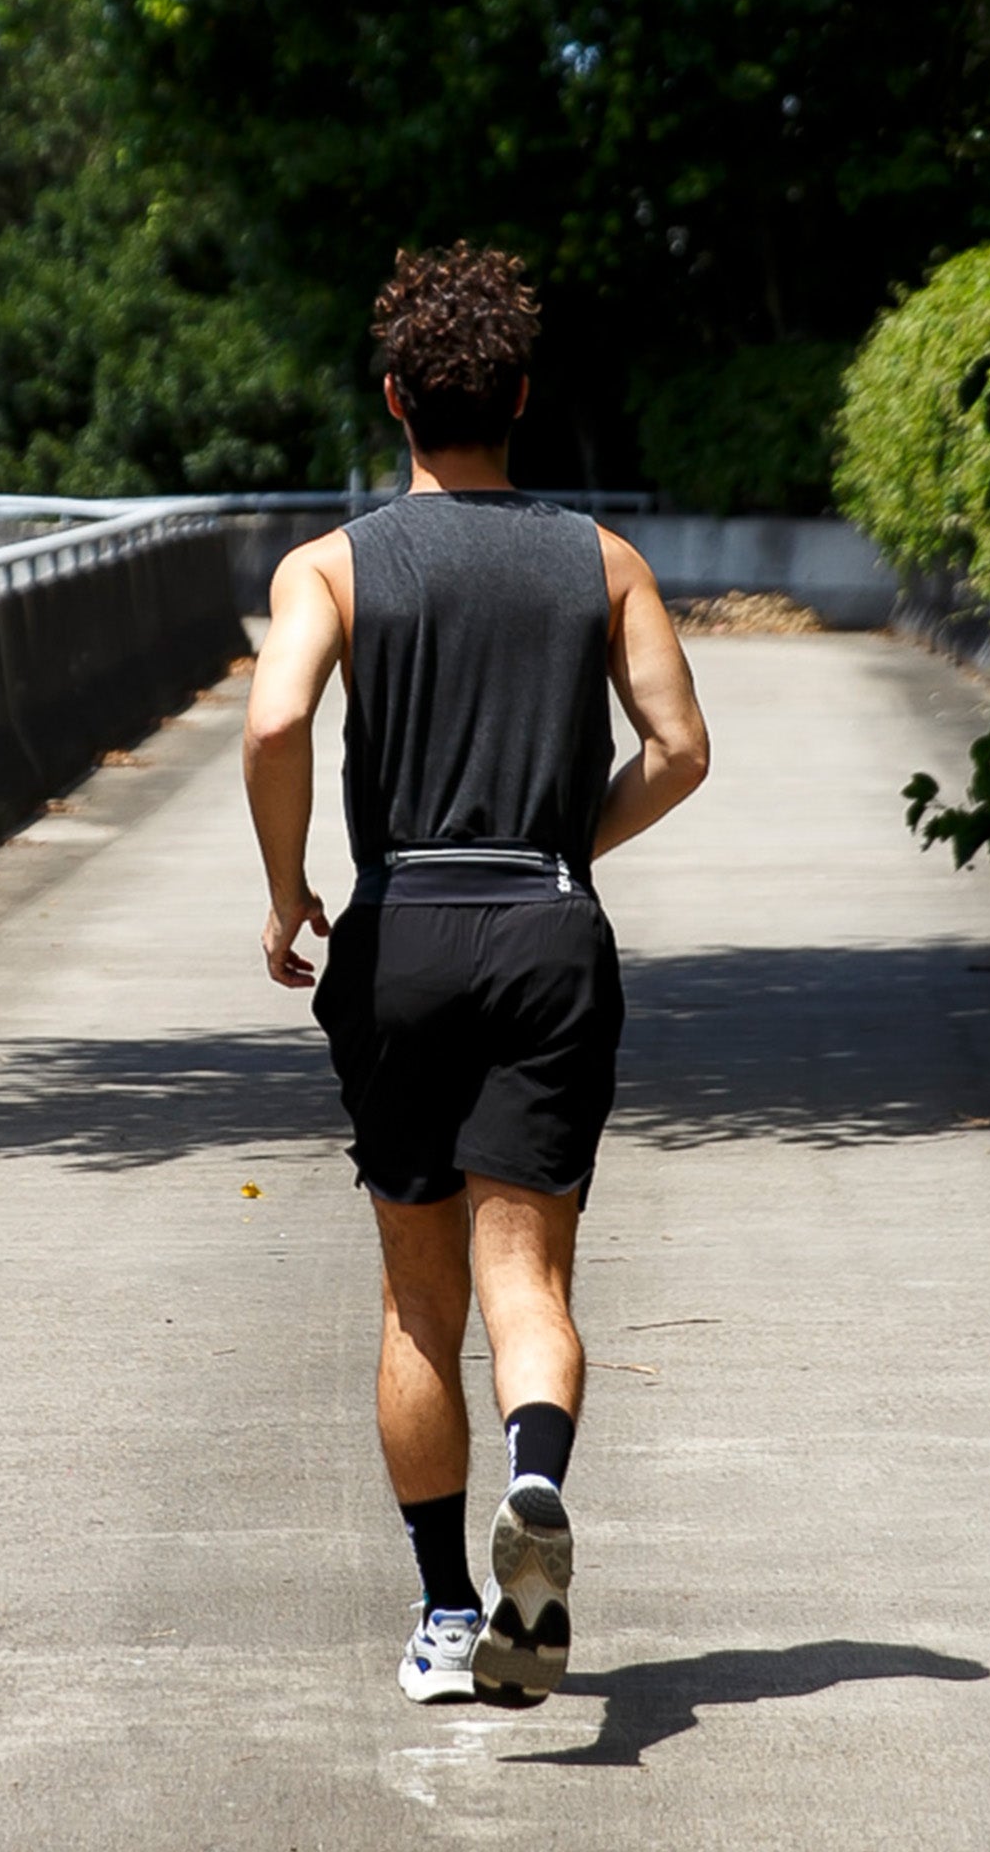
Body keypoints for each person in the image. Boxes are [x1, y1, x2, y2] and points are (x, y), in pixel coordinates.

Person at [243, 242, 710, 1707]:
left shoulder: (332, 564)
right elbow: (681, 751)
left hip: (401, 934)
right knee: (530, 1276)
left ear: (393, 401)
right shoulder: (601, 558)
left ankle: (450, 1613)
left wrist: (286, 891)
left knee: (415, 1301)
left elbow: (272, 726)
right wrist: (570, 839)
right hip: (547, 921)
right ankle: (539, 1475)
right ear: (522, 397)